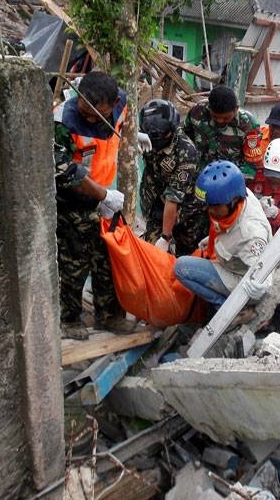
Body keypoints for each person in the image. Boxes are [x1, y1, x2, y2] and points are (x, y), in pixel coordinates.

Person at [54, 71, 128, 339]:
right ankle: (70, 319)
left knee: (107, 260)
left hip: (103, 199)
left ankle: (109, 316)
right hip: (72, 203)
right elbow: (63, 170)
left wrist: (136, 134)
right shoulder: (63, 120)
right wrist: (102, 195)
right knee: (74, 262)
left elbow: (118, 132)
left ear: (114, 102)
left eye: (96, 114)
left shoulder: (122, 105)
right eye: (84, 111)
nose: (88, 118)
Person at [174, 161, 272, 311]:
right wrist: (213, 238)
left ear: (233, 201)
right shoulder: (238, 194)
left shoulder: (251, 234)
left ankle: (226, 309)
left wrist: (262, 286)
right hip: (232, 262)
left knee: (181, 268)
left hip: (241, 280)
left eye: (215, 206)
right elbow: (227, 226)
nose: (210, 210)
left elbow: (264, 269)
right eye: (208, 205)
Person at [138, 99, 205, 256]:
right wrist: (130, 136)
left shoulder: (185, 151)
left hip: (186, 208)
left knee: (187, 254)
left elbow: (173, 198)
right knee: (152, 255)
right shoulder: (146, 138)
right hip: (154, 202)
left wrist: (165, 237)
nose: (156, 143)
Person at [183, 85, 263, 180]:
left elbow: (251, 165)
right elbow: (185, 138)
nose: (220, 121)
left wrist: (232, 182)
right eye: (215, 117)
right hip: (199, 175)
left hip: (230, 179)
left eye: (226, 118)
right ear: (209, 108)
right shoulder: (197, 111)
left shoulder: (248, 125)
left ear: (236, 109)